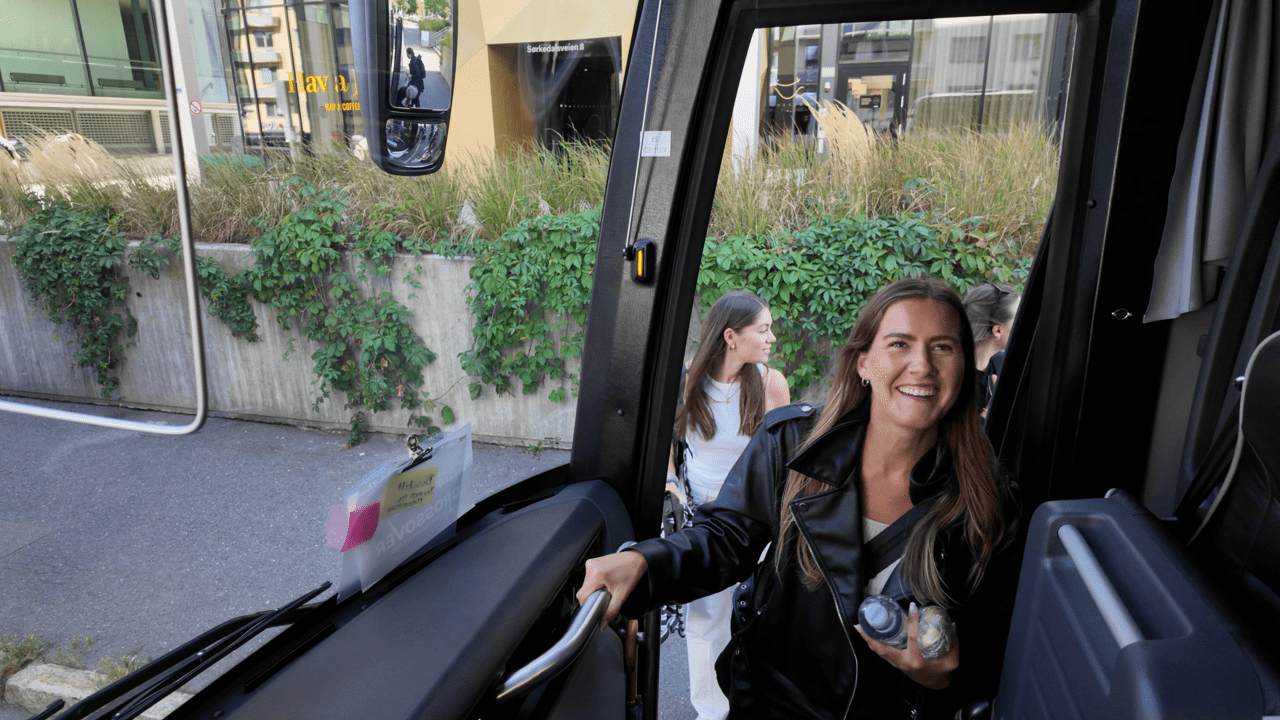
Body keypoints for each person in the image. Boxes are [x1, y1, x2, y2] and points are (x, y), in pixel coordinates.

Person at [578, 277, 1019, 720]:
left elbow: (1000, 646)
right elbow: (725, 538)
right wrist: (644, 563)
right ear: (863, 363)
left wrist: (944, 676)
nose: (921, 365)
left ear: (964, 366)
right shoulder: (791, 446)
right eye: (899, 344)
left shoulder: (988, 499)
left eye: (942, 347)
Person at [667, 290, 791, 720]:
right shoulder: (687, 380)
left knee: (761, 614)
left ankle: (756, 704)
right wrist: (670, 483)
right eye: (763, 329)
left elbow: (785, 455)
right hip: (705, 517)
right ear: (731, 336)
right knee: (705, 618)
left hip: (757, 515)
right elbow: (666, 440)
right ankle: (711, 712)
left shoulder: (771, 383)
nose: (772, 338)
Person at [962, 281, 1020, 415]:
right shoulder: (955, 381)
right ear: (998, 330)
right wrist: (990, 409)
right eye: (1019, 319)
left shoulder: (1001, 363)